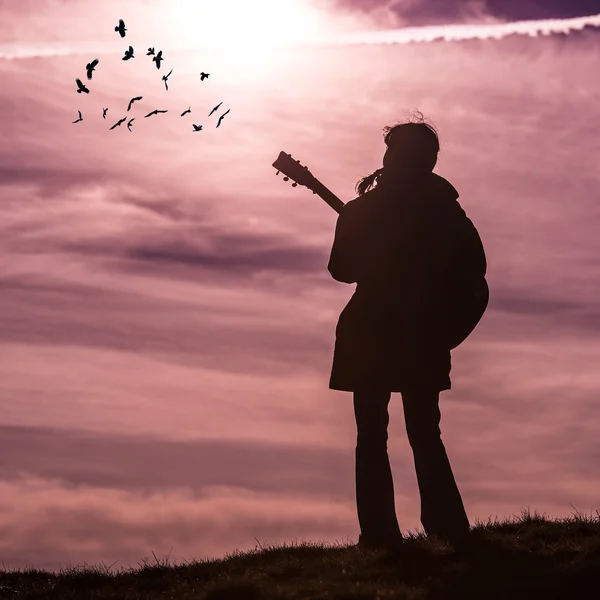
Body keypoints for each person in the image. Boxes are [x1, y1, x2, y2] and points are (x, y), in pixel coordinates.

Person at [327, 113, 487, 551]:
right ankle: (447, 528)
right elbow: (476, 274)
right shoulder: (447, 211)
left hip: (373, 330)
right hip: (419, 332)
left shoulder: (364, 210)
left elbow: (341, 269)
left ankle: (379, 536)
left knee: (373, 434)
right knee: (424, 429)